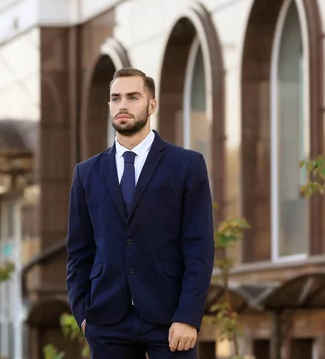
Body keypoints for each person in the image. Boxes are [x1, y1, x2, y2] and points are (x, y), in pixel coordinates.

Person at [65, 67, 215, 358]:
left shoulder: (186, 165)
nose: (123, 105)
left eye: (133, 97)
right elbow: (79, 251)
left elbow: (199, 247)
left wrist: (188, 315)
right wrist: (84, 315)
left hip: (171, 319)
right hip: (107, 321)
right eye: (116, 98)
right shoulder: (87, 174)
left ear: (152, 104)